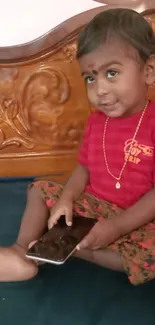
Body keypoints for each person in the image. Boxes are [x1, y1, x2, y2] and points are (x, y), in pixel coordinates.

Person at [2, 8, 155, 285]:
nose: (100, 90)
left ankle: (72, 249)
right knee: (40, 189)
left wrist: (117, 227)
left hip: (141, 219)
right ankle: (22, 251)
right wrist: (67, 199)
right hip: (94, 208)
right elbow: (83, 168)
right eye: (90, 78)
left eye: (112, 73)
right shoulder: (97, 122)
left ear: (148, 71)